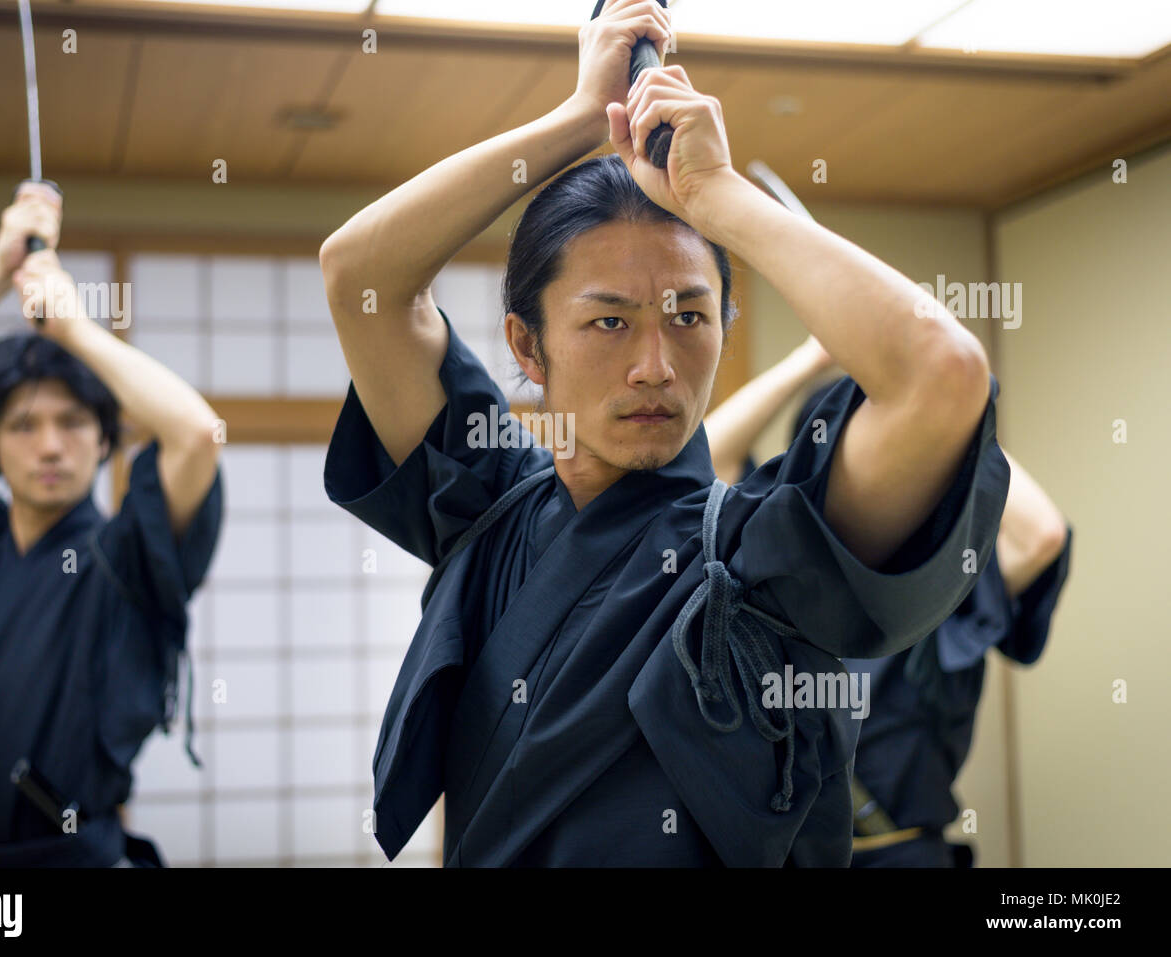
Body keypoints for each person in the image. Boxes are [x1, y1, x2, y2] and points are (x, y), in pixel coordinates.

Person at [318, 0, 1009, 866]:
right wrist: (579, 117)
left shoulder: (757, 555)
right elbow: (359, 277)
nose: (655, 365)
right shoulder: (486, 505)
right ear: (527, 345)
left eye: (690, 315)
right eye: (609, 323)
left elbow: (942, 376)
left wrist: (719, 199)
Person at [0, 182, 224, 866]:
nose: (51, 445)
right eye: (23, 425)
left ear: (103, 440)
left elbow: (196, 433)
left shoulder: (124, 554)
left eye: (72, 422)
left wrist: (72, 326)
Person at [707, 343, 1072, 867]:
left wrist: (952, 407)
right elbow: (708, 455)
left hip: (906, 854)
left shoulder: (945, 571)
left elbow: (1041, 537)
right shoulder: (768, 560)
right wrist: (816, 356)